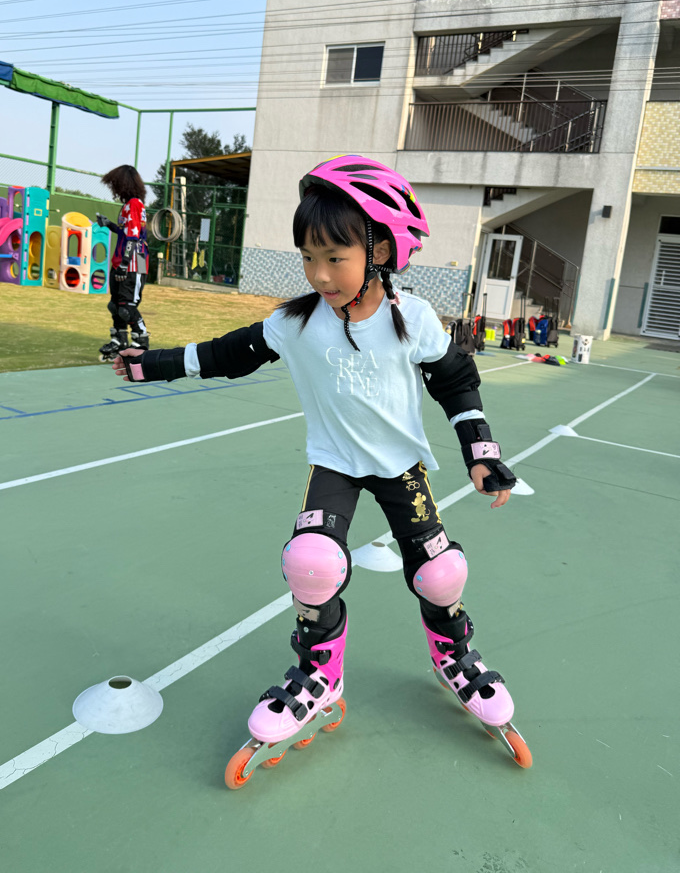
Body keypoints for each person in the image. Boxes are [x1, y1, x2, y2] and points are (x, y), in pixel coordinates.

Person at [111, 155, 527, 771]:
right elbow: (227, 354)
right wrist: (151, 363)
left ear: (379, 249)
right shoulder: (297, 321)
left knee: (441, 574)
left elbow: (455, 382)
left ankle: (453, 655)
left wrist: (482, 453)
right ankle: (321, 677)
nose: (320, 274)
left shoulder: (411, 319)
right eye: (308, 257)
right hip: (334, 463)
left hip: (400, 467)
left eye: (335, 257)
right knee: (311, 563)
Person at [96, 164, 150, 361]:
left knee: (127, 306)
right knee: (116, 305)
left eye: (115, 185)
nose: (114, 189)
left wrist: (125, 264)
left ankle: (141, 341)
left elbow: (133, 238)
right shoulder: (128, 205)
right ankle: (119, 340)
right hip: (123, 260)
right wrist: (109, 224)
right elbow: (125, 232)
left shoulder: (135, 204)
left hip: (135, 261)